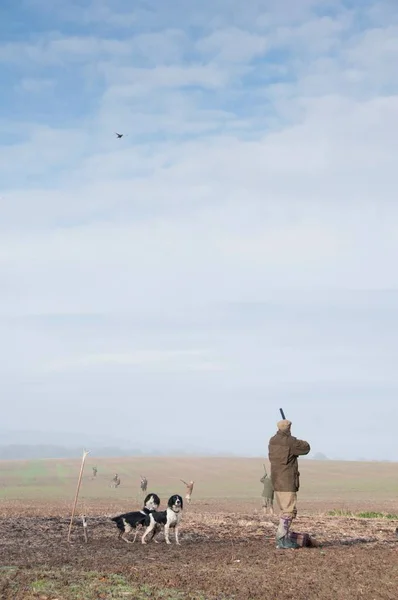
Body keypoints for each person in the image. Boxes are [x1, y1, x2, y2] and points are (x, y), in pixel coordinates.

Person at [268, 419, 310, 549]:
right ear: (289, 428)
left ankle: (283, 537)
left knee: (284, 509)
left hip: (276, 481)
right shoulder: (291, 442)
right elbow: (306, 448)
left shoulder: (272, 440)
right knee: (288, 511)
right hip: (287, 482)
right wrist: (293, 438)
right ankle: (282, 539)